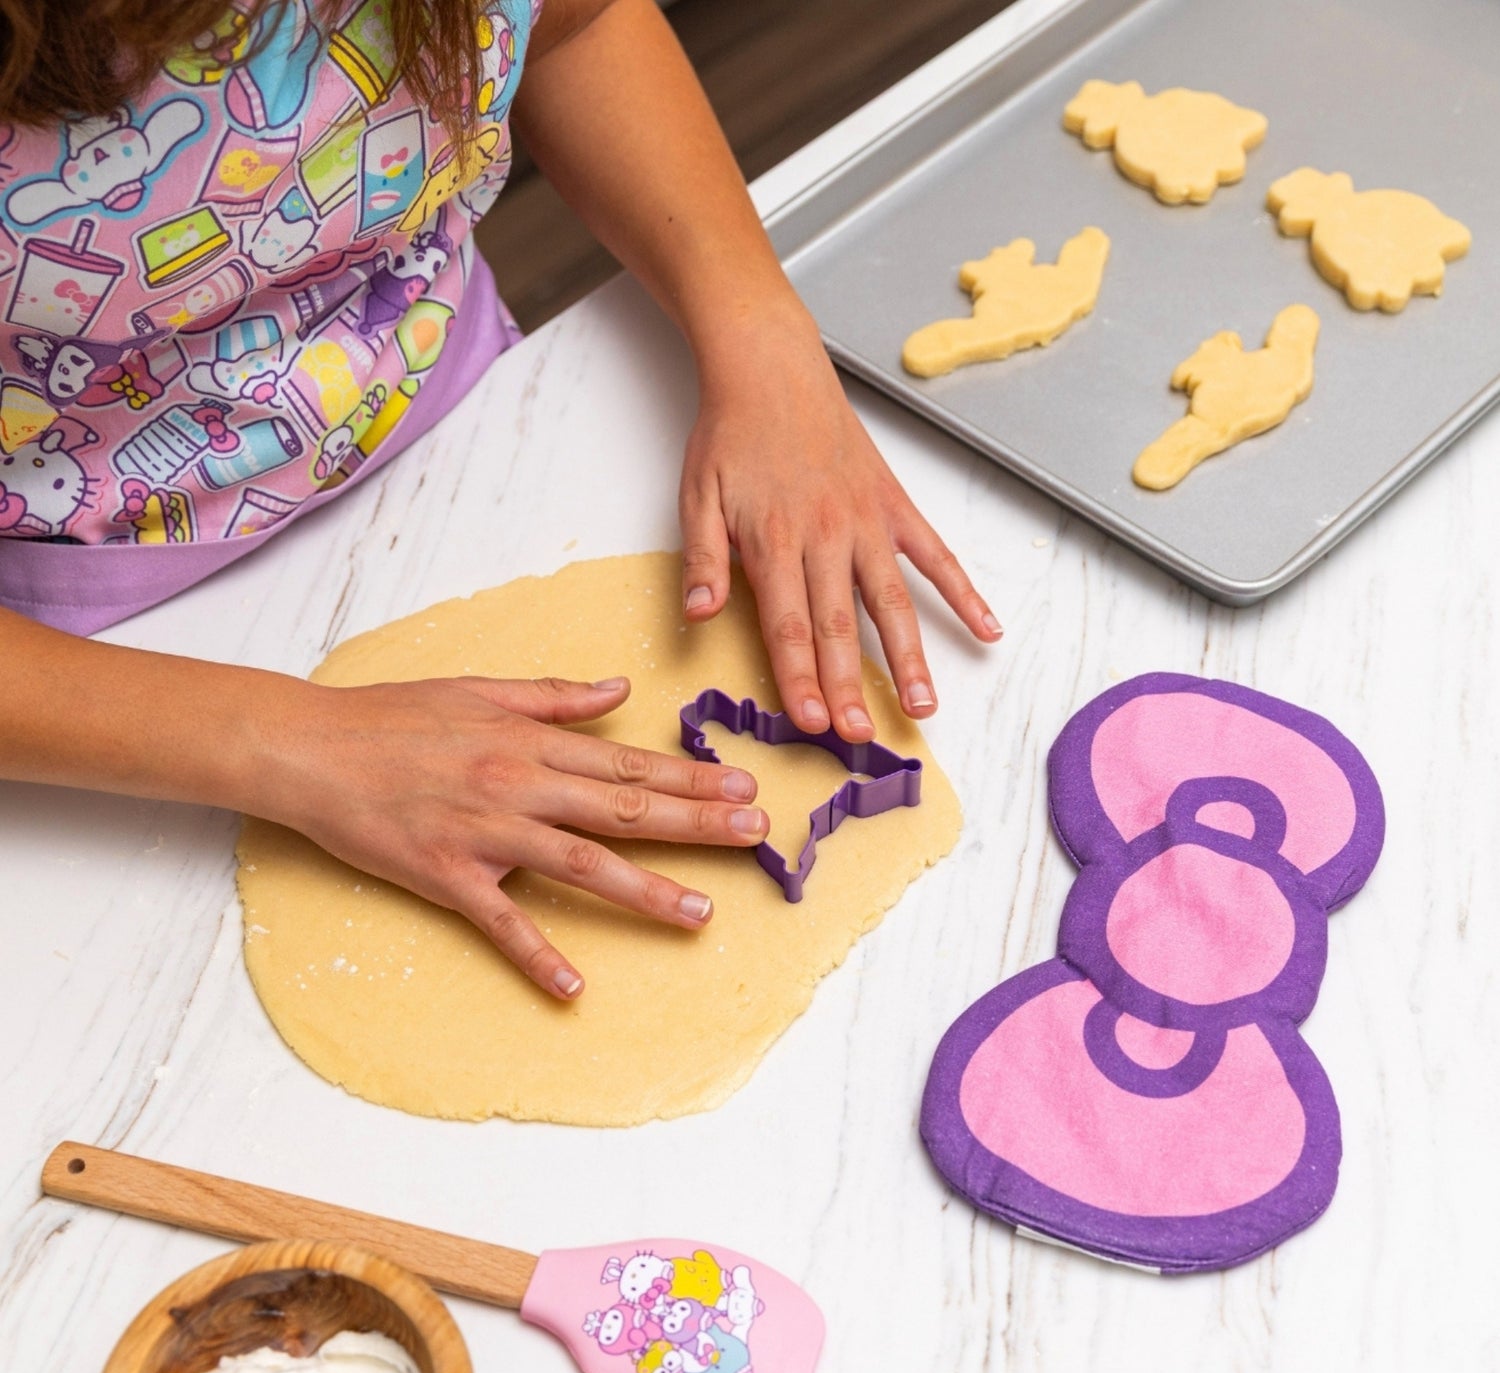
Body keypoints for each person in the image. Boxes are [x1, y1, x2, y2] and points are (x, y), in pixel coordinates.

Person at [0, 0, 1000, 996]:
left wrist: (761, 332)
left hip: (461, 394)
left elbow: (580, 26)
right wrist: (287, 743)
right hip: (86, 622)